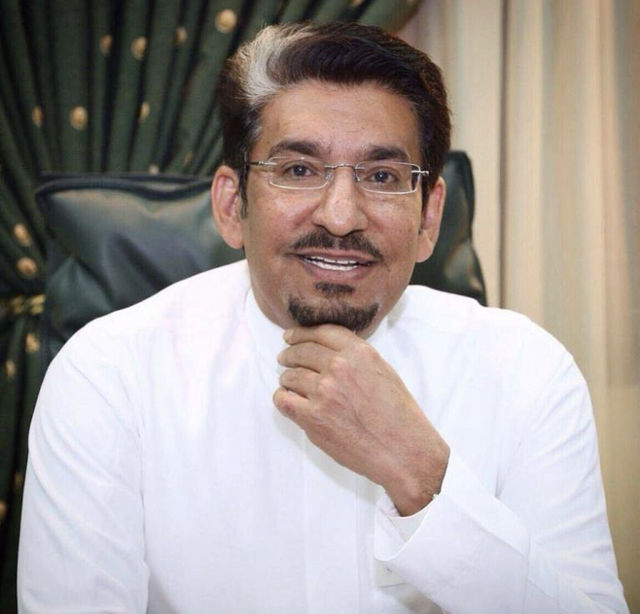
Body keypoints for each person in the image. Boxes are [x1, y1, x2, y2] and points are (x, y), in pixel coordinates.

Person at [17, 21, 627, 613]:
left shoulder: (526, 371)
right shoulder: (110, 375)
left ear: (429, 217)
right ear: (231, 205)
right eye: (299, 170)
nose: (340, 216)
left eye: (382, 176)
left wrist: (422, 477)